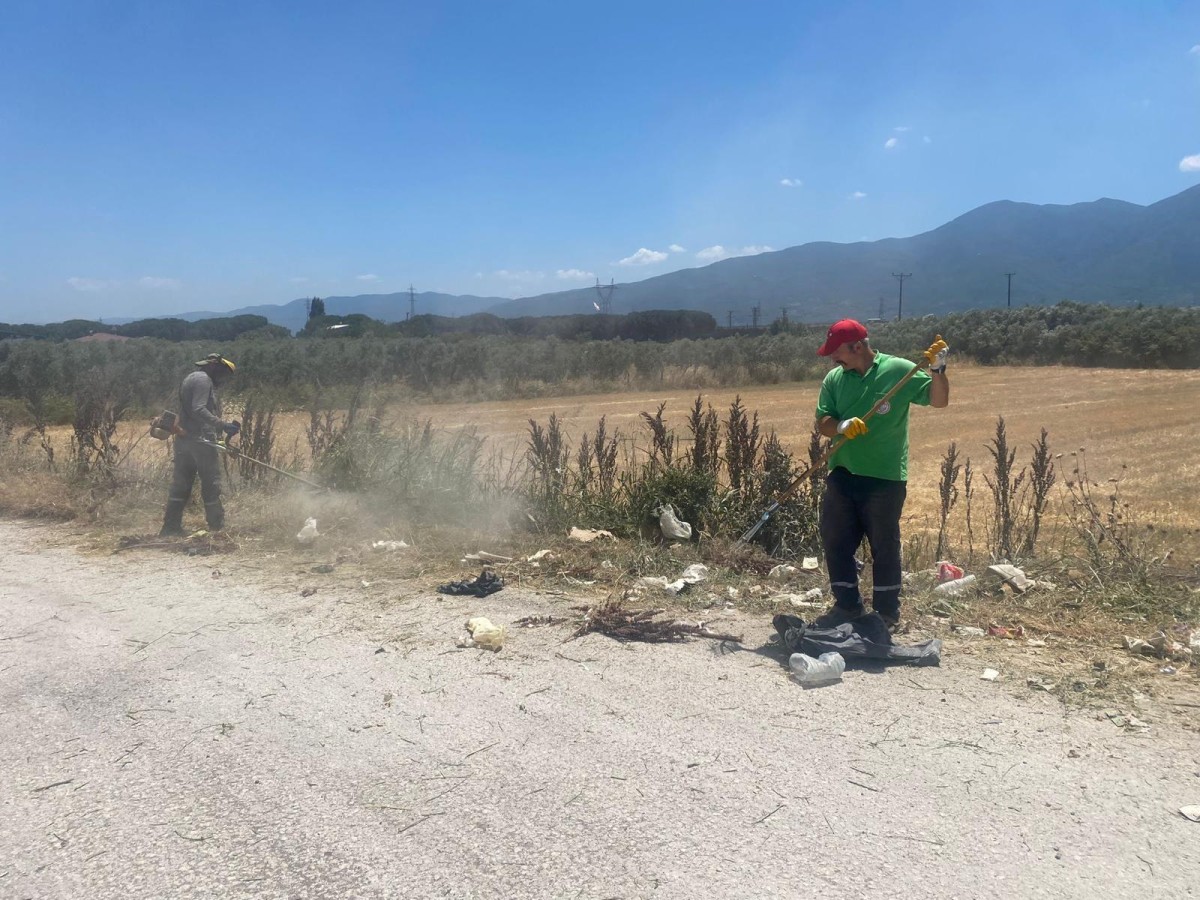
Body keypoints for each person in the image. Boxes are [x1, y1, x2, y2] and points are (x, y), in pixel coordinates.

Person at [811, 320, 949, 629]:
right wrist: (842, 426)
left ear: (857, 347)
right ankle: (847, 607)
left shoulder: (899, 370)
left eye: (837, 352)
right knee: (836, 541)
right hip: (843, 473)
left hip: (885, 478)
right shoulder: (835, 379)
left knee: (884, 547)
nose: (833, 359)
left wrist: (938, 370)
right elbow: (823, 423)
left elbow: (938, 401)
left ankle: (886, 614)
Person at [159, 353, 240, 537]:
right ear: (214, 366)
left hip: (185, 439)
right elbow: (198, 409)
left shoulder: (191, 378)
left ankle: (170, 527)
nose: (223, 379)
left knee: (181, 484)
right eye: (223, 374)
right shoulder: (204, 381)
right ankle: (216, 527)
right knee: (211, 484)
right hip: (201, 441)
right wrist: (222, 425)